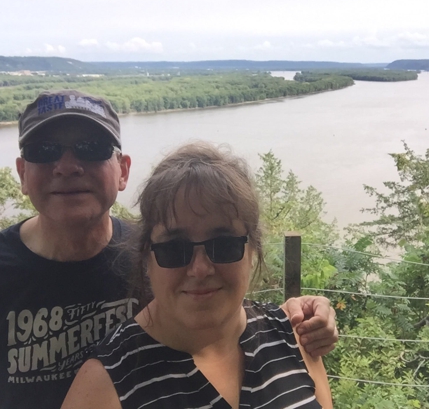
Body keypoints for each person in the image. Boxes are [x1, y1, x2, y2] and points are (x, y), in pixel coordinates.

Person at [0, 90, 337, 409]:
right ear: (22, 174)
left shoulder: (163, 252)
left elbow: (221, 305)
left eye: (91, 147)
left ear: (123, 170)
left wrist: (299, 318)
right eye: (44, 150)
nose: (67, 165)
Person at [62, 142, 333, 409]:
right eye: (174, 248)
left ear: (252, 250)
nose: (200, 268)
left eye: (224, 244)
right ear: (147, 257)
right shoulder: (106, 384)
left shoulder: (293, 338)